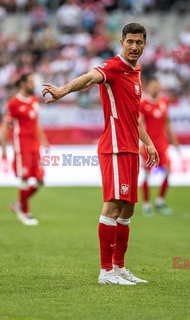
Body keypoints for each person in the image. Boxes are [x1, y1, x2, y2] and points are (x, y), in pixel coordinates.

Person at [42, 23, 159, 285]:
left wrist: (148, 143)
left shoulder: (136, 72)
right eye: (130, 41)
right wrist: (62, 90)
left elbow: (134, 116)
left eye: (139, 42)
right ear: (121, 42)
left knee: (128, 209)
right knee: (113, 205)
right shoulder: (113, 67)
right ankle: (105, 272)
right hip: (115, 147)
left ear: (144, 45)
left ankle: (119, 268)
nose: (134, 46)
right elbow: (89, 77)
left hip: (130, 148)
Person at [0, 73, 49, 226]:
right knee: (24, 179)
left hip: (35, 146)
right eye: (30, 82)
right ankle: (26, 213)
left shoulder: (34, 100)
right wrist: (2, 147)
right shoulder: (13, 103)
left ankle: (18, 204)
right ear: (22, 84)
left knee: (40, 180)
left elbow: (36, 123)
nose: (33, 85)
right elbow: (5, 126)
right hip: (22, 147)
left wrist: (44, 140)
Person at [138, 78, 179, 216]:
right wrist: (140, 144)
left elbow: (167, 123)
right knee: (147, 174)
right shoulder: (143, 104)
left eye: (157, 85)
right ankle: (147, 205)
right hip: (149, 145)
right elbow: (140, 125)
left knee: (168, 171)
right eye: (153, 86)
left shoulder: (164, 102)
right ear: (148, 88)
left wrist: (174, 140)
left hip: (162, 144)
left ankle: (160, 201)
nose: (156, 88)